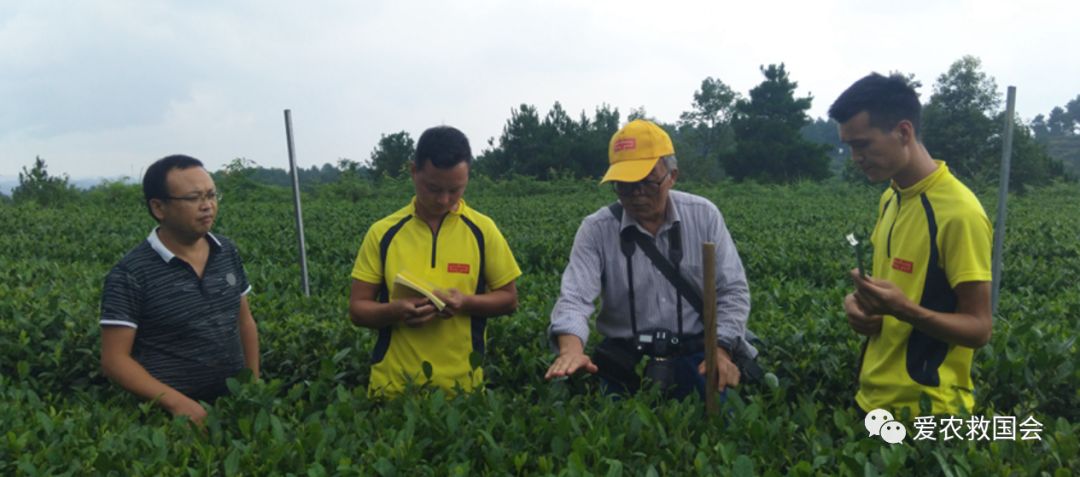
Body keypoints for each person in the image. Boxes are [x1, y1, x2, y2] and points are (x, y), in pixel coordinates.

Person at [545, 119, 755, 399]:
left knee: (720, 429)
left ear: (672, 175)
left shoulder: (703, 216)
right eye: (625, 185)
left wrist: (720, 351)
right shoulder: (596, 229)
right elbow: (575, 298)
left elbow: (732, 290)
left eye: (647, 181)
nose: (636, 194)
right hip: (625, 361)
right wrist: (571, 351)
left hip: (698, 356)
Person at [829, 73, 993, 416]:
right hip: (872, 399)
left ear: (903, 132)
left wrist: (904, 309)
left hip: (928, 412)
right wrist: (860, 306)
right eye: (850, 147)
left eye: (863, 144)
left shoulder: (959, 213)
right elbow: (901, 289)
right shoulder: (891, 197)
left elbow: (979, 329)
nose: (856, 157)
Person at [348, 125, 521, 397]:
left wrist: (465, 303)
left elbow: (509, 299)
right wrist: (396, 311)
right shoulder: (383, 233)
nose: (444, 199)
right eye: (433, 188)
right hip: (393, 388)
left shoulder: (483, 230)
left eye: (455, 190)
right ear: (413, 171)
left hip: (463, 390)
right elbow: (358, 309)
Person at [100, 155, 260, 425]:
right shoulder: (130, 273)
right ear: (159, 207)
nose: (207, 206)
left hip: (234, 405)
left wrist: (253, 385)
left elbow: (244, 321)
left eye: (211, 195)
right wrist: (178, 404)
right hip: (169, 419)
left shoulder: (226, 250)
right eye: (194, 198)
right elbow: (114, 359)